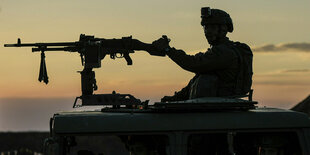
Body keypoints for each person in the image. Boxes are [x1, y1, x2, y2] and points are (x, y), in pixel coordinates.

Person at [149, 7, 253, 102]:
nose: (207, 31)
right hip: (215, 104)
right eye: (205, 27)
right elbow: (198, 75)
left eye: (212, 27)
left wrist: (168, 50)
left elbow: (193, 64)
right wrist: (177, 98)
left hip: (216, 106)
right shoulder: (220, 51)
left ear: (223, 29)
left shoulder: (224, 53)